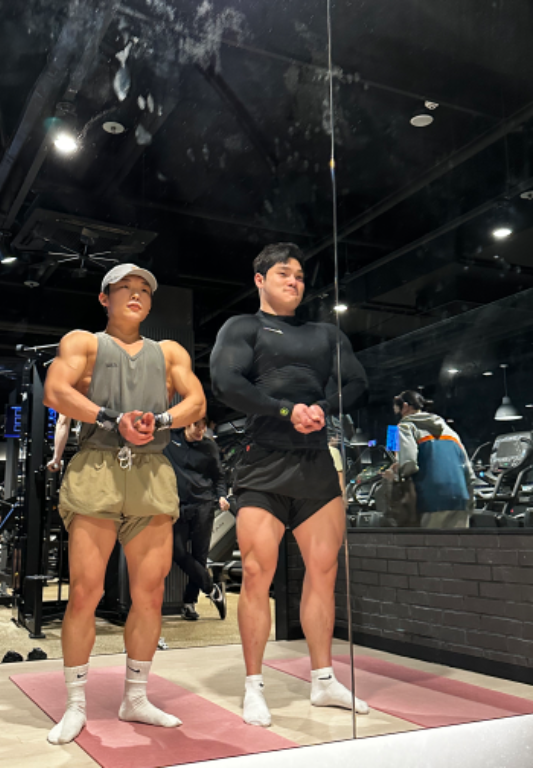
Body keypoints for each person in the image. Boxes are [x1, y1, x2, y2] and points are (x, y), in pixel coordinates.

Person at [42, 263, 206, 745]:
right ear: (104, 298)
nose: (135, 295)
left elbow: (196, 402)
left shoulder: (169, 351)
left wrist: (159, 420)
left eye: (143, 291)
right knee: (86, 592)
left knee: (150, 593)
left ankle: (136, 697)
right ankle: (75, 704)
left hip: (152, 472)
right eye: (124, 288)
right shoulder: (84, 342)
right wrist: (113, 419)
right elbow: (56, 391)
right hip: (97, 467)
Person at [210, 242, 369, 727]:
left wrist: (321, 407)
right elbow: (226, 382)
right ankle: (253, 686)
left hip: (316, 465)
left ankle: (324, 680)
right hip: (263, 464)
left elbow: (357, 382)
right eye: (284, 273)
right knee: (256, 573)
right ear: (260, 279)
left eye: (299, 275)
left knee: (323, 572)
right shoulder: (243, 327)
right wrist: (287, 410)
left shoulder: (326, 334)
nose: (294, 281)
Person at [164, 416, 230, 621]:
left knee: (200, 555)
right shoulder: (170, 440)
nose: (200, 431)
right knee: (177, 551)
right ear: (187, 424)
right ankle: (211, 589)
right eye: (196, 427)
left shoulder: (209, 447)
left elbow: (219, 476)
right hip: (179, 505)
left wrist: (221, 495)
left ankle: (189, 603)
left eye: (203, 427)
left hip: (203, 503)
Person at [392, 390, 475, 528]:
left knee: (433, 541)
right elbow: (469, 474)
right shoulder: (450, 432)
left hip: (431, 499)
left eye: (397, 410)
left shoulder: (405, 427)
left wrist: (395, 473)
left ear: (405, 406)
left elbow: (408, 463)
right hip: (460, 499)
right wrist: (470, 505)